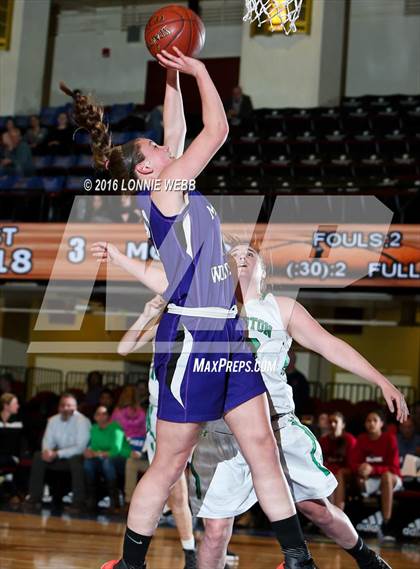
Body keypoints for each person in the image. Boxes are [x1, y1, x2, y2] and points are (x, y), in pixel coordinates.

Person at [69, 48, 318, 569]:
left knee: (263, 449)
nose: (165, 145)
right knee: (169, 462)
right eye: (156, 147)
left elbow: (176, 128)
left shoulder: (168, 182)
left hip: (228, 335)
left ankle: (299, 561)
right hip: (192, 338)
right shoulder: (164, 190)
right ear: (145, 168)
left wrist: (170, 70)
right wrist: (203, 72)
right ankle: (131, 564)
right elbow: (216, 132)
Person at [105, 240, 408, 569]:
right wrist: (123, 260)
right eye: (234, 255)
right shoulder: (206, 305)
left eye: (250, 254)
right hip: (220, 436)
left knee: (315, 509)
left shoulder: (280, 307)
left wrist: (381, 379)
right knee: (217, 529)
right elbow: (162, 287)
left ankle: (366, 558)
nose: (242, 258)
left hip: (275, 426)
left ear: (264, 271)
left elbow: (330, 345)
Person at [118, 296, 197, 569]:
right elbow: (123, 348)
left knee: (197, 487)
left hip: (196, 412)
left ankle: (206, 548)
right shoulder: (164, 321)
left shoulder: (211, 321)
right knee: (175, 490)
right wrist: (145, 314)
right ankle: (190, 554)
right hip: (161, 412)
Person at [25, 393, 91, 513]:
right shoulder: (53, 420)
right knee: (38, 456)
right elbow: (47, 441)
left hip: (76, 457)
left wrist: (57, 454)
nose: (66, 408)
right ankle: (34, 499)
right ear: (58, 407)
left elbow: (80, 447)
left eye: (69, 405)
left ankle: (78, 503)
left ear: (75, 407)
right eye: (63, 405)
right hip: (58, 457)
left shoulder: (82, 421)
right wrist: (47, 452)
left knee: (76, 460)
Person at [351, 410, 402, 542]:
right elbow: (353, 463)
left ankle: (387, 523)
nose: (371, 423)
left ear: (381, 423)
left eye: (375, 420)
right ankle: (354, 522)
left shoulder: (389, 439)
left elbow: (394, 468)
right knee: (357, 479)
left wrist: (373, 469)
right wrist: (360, 468)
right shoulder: (361, 439)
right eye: (368, 420)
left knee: (386, 476)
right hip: (371, 480)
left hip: (392, 479)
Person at [84, 405, 131, 513]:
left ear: (108, 416)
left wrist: (96, 453)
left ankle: (114, 501)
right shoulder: (94, 428)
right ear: (95, 417)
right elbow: (94, 447)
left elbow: (116, 450)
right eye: (98, 414)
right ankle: (92, 499)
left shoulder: (116, 427)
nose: (101, 416)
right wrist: (89, 452)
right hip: (103, 457)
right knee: (88, 464)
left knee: (107, 463)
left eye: (104, 414)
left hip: (121, 459)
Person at [320, 412, 356, 510]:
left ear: (343, 425)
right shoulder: (323, 441)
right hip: (328, 473)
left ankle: (339, 512)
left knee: (337, 475)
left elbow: (352, 465)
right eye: (330, 422)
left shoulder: (350, 440)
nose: (332, 424)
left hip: (345, 473)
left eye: (335, 422)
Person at [0, 393, 25, 504]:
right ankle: (11, 488)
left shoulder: (18, 421)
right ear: (6, 406)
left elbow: (12, 443)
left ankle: (10, 488)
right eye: (15, 404)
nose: (18, 406)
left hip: (12, 457)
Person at [286, 350, 310, 416]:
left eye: (291, 359)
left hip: (296, 412)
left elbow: (304, 398)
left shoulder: (301, 378)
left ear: (294, 361)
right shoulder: (279, 376)